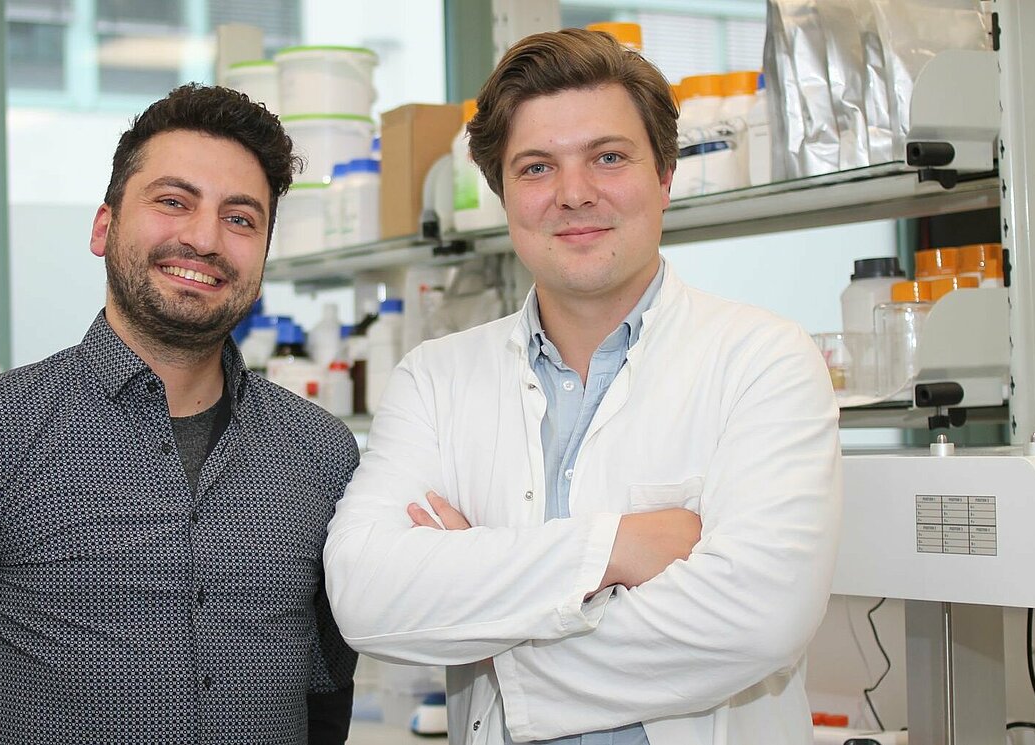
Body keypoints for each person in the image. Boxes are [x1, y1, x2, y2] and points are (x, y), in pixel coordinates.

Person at [322, 28, 840, 745]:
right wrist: (619, 547)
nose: (573, 194)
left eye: (608, 157)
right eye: (536, 167)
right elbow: (366, 596)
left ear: (665, 176)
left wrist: (490, 626)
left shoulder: (764, 360)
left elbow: (760, 620)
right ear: (504, 194)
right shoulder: (434, 379)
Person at [0, 83, 360, 745]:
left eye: (240, 218)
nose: (204, 238)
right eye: (173, 201)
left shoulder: (321, 452)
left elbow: (324, 710)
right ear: (104, 227)